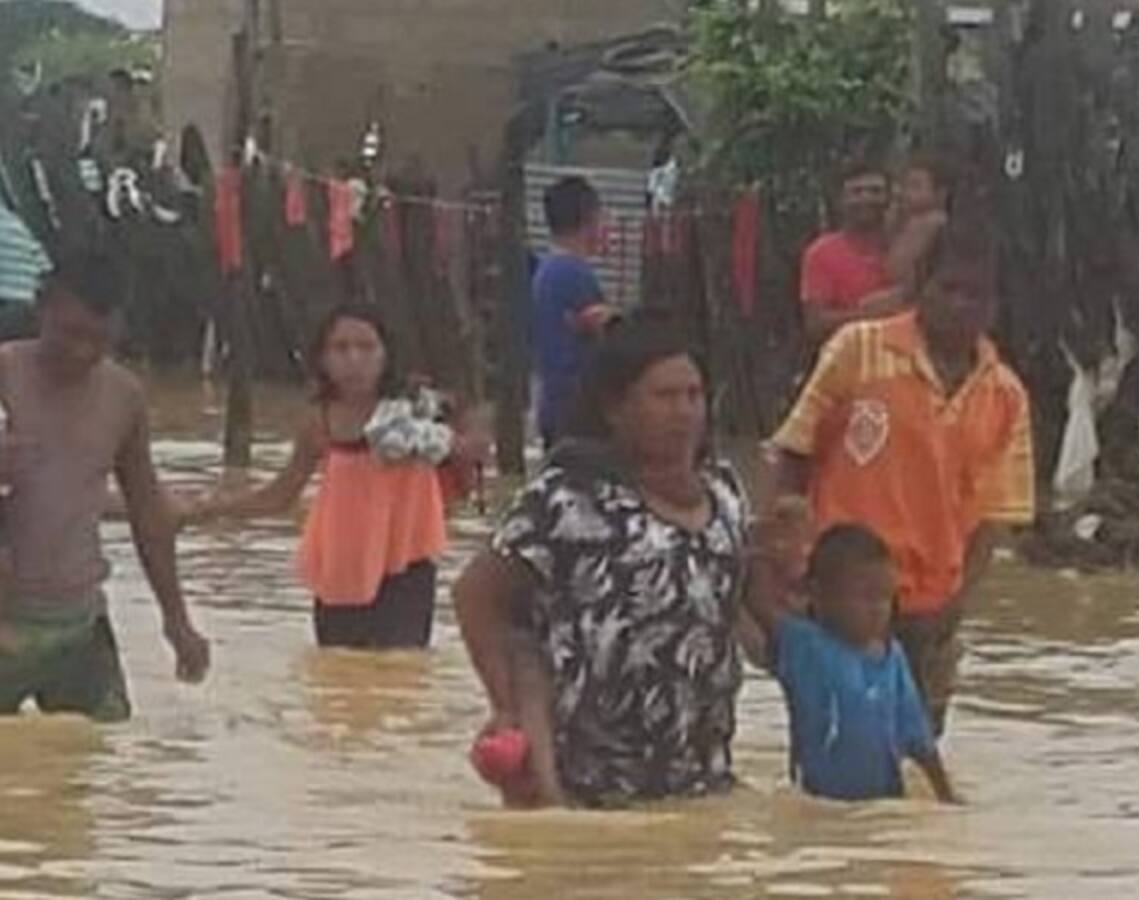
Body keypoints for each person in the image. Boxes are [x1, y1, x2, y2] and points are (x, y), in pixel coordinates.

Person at [454, 317, 748, 808]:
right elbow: (475, 595)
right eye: (665, 397)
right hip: (587, 784)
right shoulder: (569, 498)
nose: (684, 413)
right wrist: (506, 706)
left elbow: (739, 610)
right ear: (615, 408)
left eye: (694, 395)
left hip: (700, 781)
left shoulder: (726, 495)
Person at [766, 211, 1035, 736]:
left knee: (917, 761)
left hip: (930, 608)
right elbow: (792, 455)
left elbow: (993, 518)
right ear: (920, 288)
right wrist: (789, 564)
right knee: (833, 754)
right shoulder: (857, 351)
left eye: (976, 294)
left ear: (994, 305)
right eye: (949, 288)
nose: (961, 305)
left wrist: (955, 608)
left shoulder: (1005, 395)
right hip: (839, 599)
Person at [178, 305, 485, 650]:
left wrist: (440, 440)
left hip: (405, 564)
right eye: (341, 348)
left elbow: (476, 444)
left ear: (386, 354)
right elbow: (280, 495)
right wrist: (204, 510)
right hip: (339, 567)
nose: (354, 359)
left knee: (401, 671)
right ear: (323, 359)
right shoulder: (319, 422)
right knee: (337, 673)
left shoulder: (416, 408)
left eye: (366, 347)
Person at [0, 246, 210, 721]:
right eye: (70, 334)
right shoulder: (5, 373)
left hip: (79, 623)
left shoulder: (123, 395)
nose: (82, 352)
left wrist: (176, 621)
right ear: (42, 308)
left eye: (98, 339)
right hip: (5, 618)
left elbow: (147, 512)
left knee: (97, 767)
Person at [747, 521, 959, 803]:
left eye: (885, 597)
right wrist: (759, 552)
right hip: (817, 804)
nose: (878, 609)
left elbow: (919, 740)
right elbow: (759, 603)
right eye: (865, 597)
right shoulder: (806, 647)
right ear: (819, 594)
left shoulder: (892, 656)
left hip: (886, 802)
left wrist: (946, 795)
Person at [532, 176, 619, 448]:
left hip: (553, 400)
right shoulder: (574, 273)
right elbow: (605, 330)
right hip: (576, 406)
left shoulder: (547, 270)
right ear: (589, 218)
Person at [799, 160, 902, 346]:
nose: (866, 198)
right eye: (857, 192)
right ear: (840, 201)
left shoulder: (910, 246)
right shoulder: (821, 253)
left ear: (890, 198)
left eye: (875, 191)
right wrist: (870, 314)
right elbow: (815, 325)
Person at [886, 153, 953, 290]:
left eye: (915, 186)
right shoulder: (905, 221)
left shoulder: (934, 221)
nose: (905, 193)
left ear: (941, 193)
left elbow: (900, 271)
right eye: (904, 186)